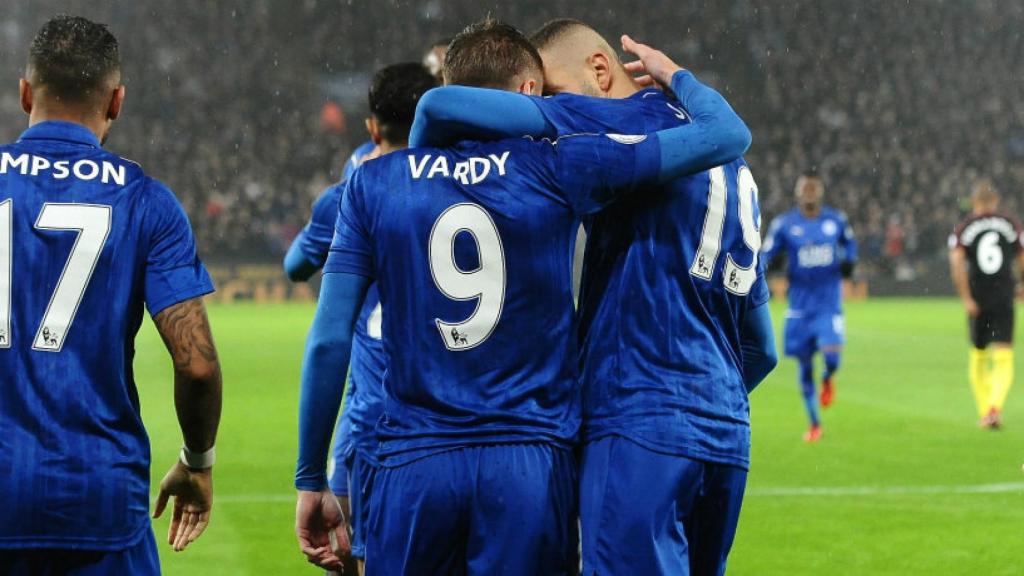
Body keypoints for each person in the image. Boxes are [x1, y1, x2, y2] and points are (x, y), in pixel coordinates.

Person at [294, 19, 754, 575]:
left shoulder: (375, 183)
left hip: (413, 462)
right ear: (529, 89)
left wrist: (310, 478)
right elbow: (722, 138)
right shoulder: (562, 165)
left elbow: (327, 340)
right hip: (532, 464)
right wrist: (677, 81)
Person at [0, 15, 222, 575]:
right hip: (95, 495)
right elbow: (196, 366)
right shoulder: (147, 202)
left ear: (25, 92)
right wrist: (197, 462)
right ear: (116, 101)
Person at [284, 62, 437, 574]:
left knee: (349, 556)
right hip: (453, 418)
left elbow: (295, 267)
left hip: (372, 415)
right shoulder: (474, 181)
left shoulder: (351, 190)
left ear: (373, 127)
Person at [762, 172, 857, 442]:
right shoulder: (784, 225)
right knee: (804, 367)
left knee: (832, 358)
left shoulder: (835, 220)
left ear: (821, 192)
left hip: (828, 306)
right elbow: (766, 253)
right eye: (805, 188)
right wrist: (769, 264)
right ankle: (814, 423)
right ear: (797, 192)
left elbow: (850, 244)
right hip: (800, 308)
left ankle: (828, 378)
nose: (810, 192)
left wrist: (849, 261)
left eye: (814, 188)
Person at [948, 179, 1023, 428]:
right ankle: (994, 407)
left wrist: (966, 297)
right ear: (995, 202)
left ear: (974, 203)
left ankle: (984, 410)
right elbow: (1022, 256)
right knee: (1003, 355)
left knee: (979, 355)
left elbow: (957, 262)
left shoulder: (965, 227)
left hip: (977, 298)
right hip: (1004, 296)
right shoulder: (1010, 223)